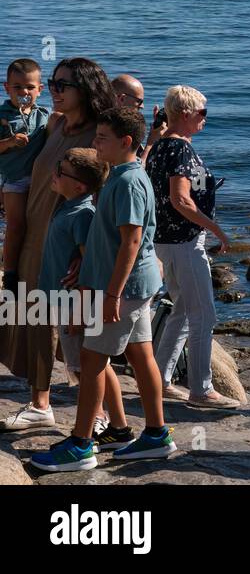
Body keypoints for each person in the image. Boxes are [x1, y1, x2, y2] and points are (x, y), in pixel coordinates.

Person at [31, 106, 171, 470]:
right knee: (141, 355)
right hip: (136, 286)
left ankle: (80, 446)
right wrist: (84, 259)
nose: (94, 143)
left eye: (101, 138)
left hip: (121, 290)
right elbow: (110, 236)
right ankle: (155, 434)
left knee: (93, 360)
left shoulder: (125, 182)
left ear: (125, 142)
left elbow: (131, 241)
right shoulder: (126, 172)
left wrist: (110, 295)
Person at [0, 57, 115, 433]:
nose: (54, 90)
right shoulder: (54, 123)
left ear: (86, 90)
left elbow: (107, 198)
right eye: (52, 83)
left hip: (70, 243)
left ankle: (100, 415)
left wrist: (88, 255)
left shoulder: (100, 135)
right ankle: (40, 403)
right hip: (34, 233)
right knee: (36, 320)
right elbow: (21, 166)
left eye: (62, 85)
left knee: (77, 330)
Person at [146, 85, 239, 410]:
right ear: (186, 114)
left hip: (164, 241)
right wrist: (217, 231)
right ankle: (201, 388)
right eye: (202, 113)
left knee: (183, 310)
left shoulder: (158, 146)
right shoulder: (180, 150)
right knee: (203, 314)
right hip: (184, 241)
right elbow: (180, 199)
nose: (205, 119)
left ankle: (160, 379)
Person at [33, 149, 114, 443]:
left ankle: (99, 417)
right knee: (78, 362)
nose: (54, 174)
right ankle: (100, 414)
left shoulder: (83, 213)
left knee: (83, 366)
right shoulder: (68, 205)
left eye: (60, 171)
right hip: (60, 300)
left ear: (80, 186)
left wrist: (80, 310)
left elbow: (89, 260)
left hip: (74, 305)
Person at [1, 58, 50, 292]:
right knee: (17, 224)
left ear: (40, 90)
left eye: (30, 87)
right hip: (13, 178)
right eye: (17, 87)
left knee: (38, 225)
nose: (24, 92)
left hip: (39, 180)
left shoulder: (44, 114)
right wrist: (9, 142)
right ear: (6, 88)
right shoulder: (3, 114)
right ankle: (9, 272)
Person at [110, 74, 165, 164]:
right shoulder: (112, 131)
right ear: (122, 99)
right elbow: (134, 169)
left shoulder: (113, 124)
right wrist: (150, 143)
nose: (142, 106)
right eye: (139, 101)